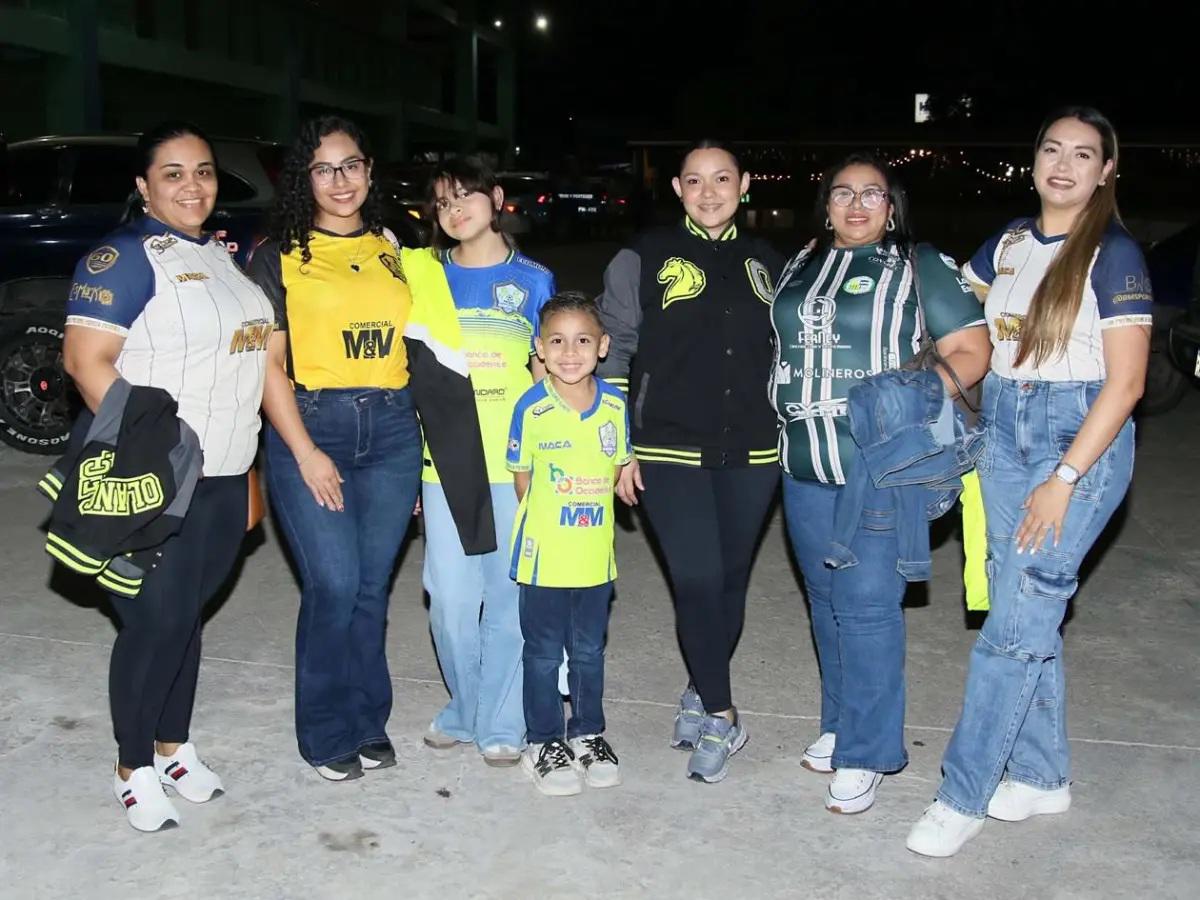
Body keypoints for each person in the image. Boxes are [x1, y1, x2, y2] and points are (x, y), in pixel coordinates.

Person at [906, 107, 1153, 857]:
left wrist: (1067, 478)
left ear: (1107, 171)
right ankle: (1043, 776)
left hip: (1078, 436)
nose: (1065, 165)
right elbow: (950, 290)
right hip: (1005, 431)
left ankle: (963, 792)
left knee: (1018, 618)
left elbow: (1129, 384)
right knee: (1020, 607)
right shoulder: (1012, 241)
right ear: (1034, 158)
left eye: (1085, 155)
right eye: (1052, 148)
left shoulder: (1114, 254)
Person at [249, 116, 492, 782]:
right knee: (332, 584)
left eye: (351, 164)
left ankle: (367, 720)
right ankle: (325, 731)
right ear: (305, 179)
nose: (340, 181)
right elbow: (269, 367)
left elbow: (432, 334)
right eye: (324, 169)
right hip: (314, 423)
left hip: (390, 429)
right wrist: (302, 451)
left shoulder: (394, 244)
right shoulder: (276, 255)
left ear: (370, 170)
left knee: (369, 591)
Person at [62, 121, 274, 831]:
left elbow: (244, 367)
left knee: (186, 617)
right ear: (143, 186)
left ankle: (174, 745)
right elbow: (86, 364)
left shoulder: (217, 255)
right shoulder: (122, 257)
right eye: (175, 173)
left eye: (205, 171)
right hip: (161, 478)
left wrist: (244, 471)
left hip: (224, 472)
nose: (193, 185)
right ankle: (132, 764)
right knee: (154, 623)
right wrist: (151, 462)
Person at [771, 152, 991, 814]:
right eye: (843, 193)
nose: (857, 205)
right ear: (826, 204)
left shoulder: (919, 266)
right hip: (803, 461)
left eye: (872, 194)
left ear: (892, 205)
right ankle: (841, 725)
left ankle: (869, 752)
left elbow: (972, 350)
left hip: (880, 470)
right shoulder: (801, 263)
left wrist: (910, 399)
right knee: (827, 601)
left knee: (867, 607)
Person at [596, 140, 784, 783]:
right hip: (667, 447)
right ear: (677, 187)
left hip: (755, 449)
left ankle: (701, 687)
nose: (709, 192)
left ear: (745, 184)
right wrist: (618, 446)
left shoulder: (769, 262)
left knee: (730, 583)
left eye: (723, 179)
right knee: (698, 578)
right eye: (695, 181)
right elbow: (614, 353)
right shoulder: (641, 256)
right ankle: (724, 714)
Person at [420, 157, 555, 767]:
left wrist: (546, 462)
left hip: (512, 466)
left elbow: (546, 373)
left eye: (466, 196)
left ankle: (501, 719)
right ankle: (466, 708)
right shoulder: (422, 277)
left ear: (496, 198)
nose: (455, 210)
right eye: (443, 202)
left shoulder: (532, 280)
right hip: (442, 464)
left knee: (506, 598)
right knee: (449, 600)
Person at [507, 292, 632, 795]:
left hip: (594, 561)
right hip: (543, 560)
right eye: (556, 341)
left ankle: (586, 732)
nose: (570, 351)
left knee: (587, 651)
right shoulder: (531, 408)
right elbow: (523, 481)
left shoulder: (615, 406)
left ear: (602, 346)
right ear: (540, 347)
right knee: (541, 653)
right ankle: (542, 741)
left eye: (583, 340)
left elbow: (619, 465)